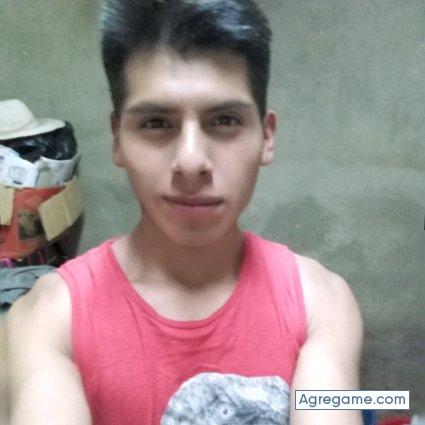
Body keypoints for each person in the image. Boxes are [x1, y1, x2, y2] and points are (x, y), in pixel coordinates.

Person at [6, 0, 363, 424]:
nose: (191, 161)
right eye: (157, 123)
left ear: (267, 137)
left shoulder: (320, 304)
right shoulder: (47, 320)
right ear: (117, 140)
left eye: (225, 120)